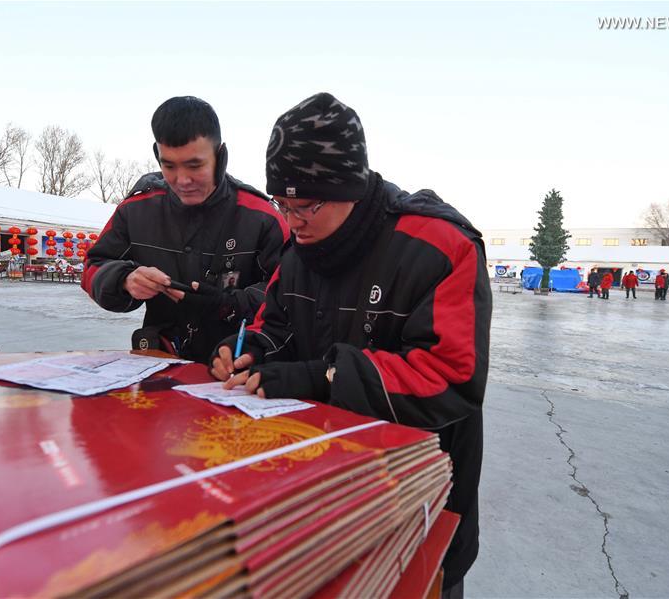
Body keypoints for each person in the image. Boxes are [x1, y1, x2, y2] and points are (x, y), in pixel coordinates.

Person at [209, 93, 492, 598]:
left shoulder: (440, 247)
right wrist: (253, 346)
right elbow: (277, 322)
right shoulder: (298, 253)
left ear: (350, 188)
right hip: (320, 504)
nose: (291, 221)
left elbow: (453, 375)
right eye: (282, 204)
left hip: (418, 502)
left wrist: (326, 377)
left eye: (305, 205)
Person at [82, 96, 288, 360]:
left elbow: (289, 292)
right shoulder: (135, 210)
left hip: (238, 363)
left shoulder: (260, 216)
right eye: (169, 166)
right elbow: (93, 265)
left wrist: (228, 305)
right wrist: (124, 279)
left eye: (195, 165)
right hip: (159, 361)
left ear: (220, 156)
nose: (182, 180)